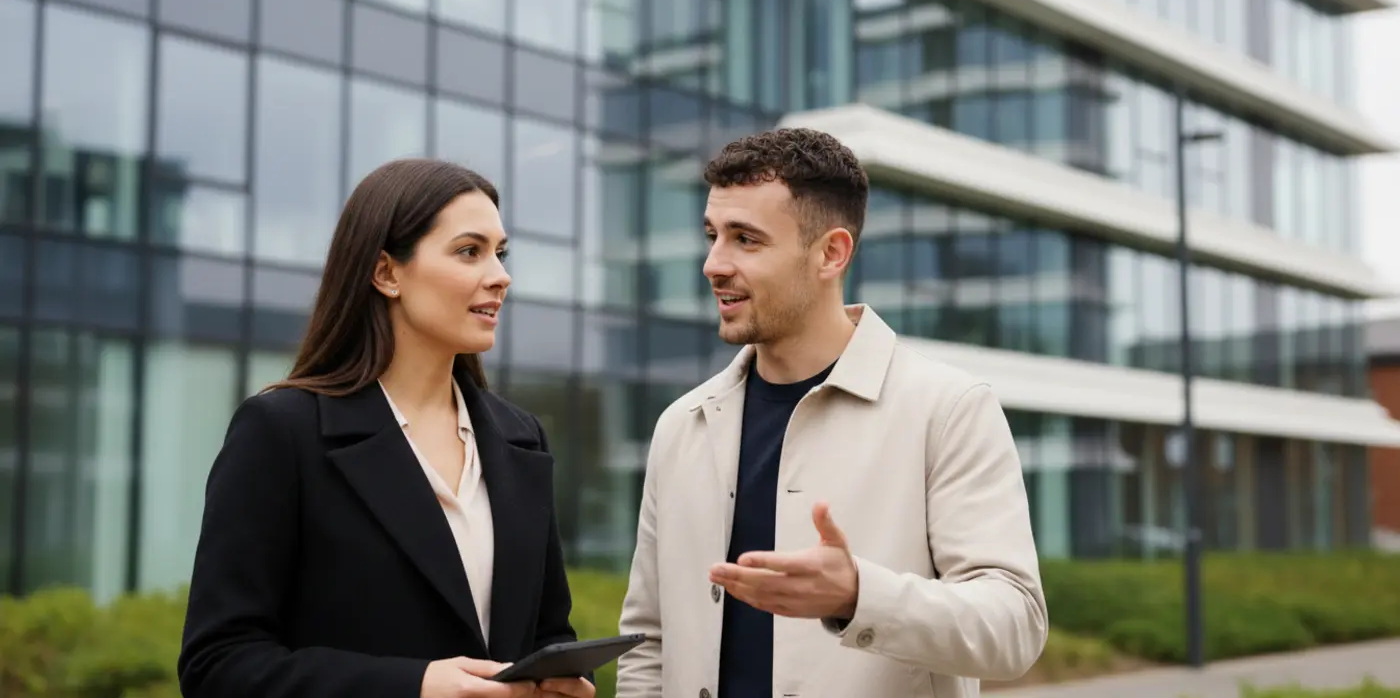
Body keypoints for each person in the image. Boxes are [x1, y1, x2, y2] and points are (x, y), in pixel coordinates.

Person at [614, 129, 1048, 698]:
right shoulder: (681, 424)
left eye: (745, 239)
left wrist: (859, 595)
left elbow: (1015, 625)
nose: (713, 264)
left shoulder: (948, 409)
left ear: (831, 253)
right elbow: (649, 642)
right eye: (712, 235)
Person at [178, 159, 594, 698]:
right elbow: (218, 666)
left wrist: (559, 684)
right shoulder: (282, 432)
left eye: (500, 252)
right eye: (470, 251)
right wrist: (414, 685)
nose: (500, 275)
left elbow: (548, 635)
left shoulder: (520, 438)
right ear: (386, 273)